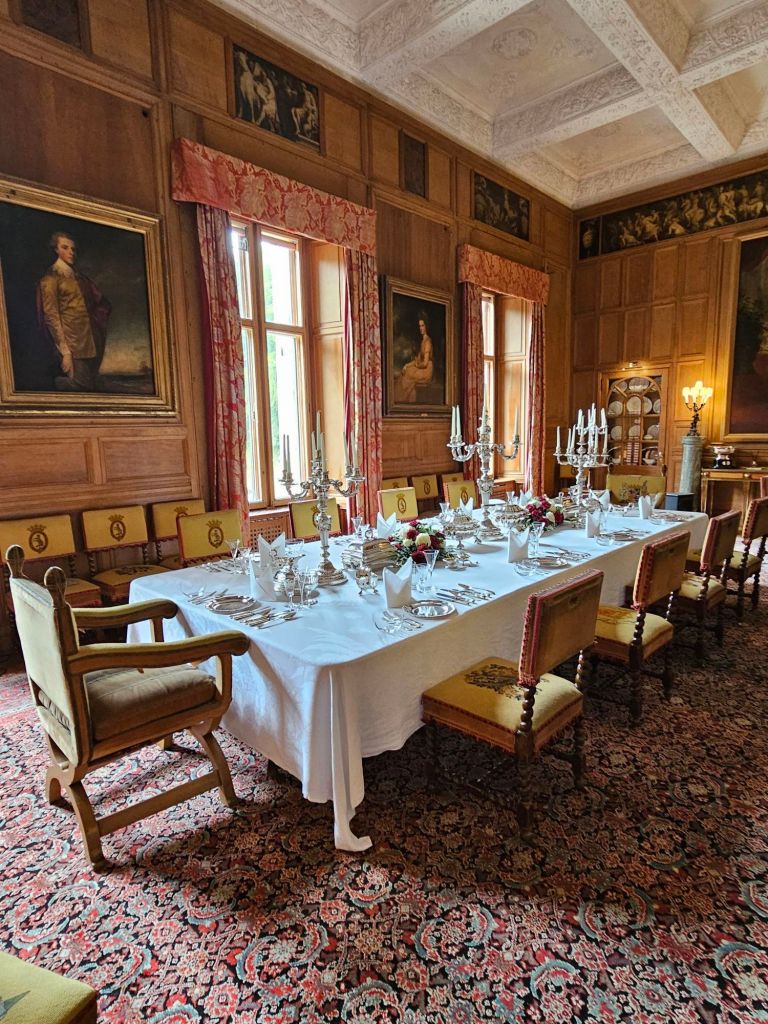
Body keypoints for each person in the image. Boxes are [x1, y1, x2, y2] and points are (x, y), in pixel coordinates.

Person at [37, 231, 111, 391]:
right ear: (56, 250)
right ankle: (56, 383)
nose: (71, 252)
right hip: (73, 345)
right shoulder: (50, 279)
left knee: (94, 386)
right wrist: (65, 353)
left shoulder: (78, 277)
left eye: (73, 249)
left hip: (91, 342)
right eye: (65, 247)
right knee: (82, 387)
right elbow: (51, 317)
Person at [397, 317, 434, 403]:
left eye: (422, 325)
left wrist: (416, 365)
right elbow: (417, 360)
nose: (421, 328)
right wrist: (406, 365)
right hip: (422, 367)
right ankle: (408, 401)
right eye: (419, 326)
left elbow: (424, 364)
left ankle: (404, 400)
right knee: (406, 371)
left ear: (426, 326)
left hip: (427, 370)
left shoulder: (427, 342)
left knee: (407, 374)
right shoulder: (423, 341)